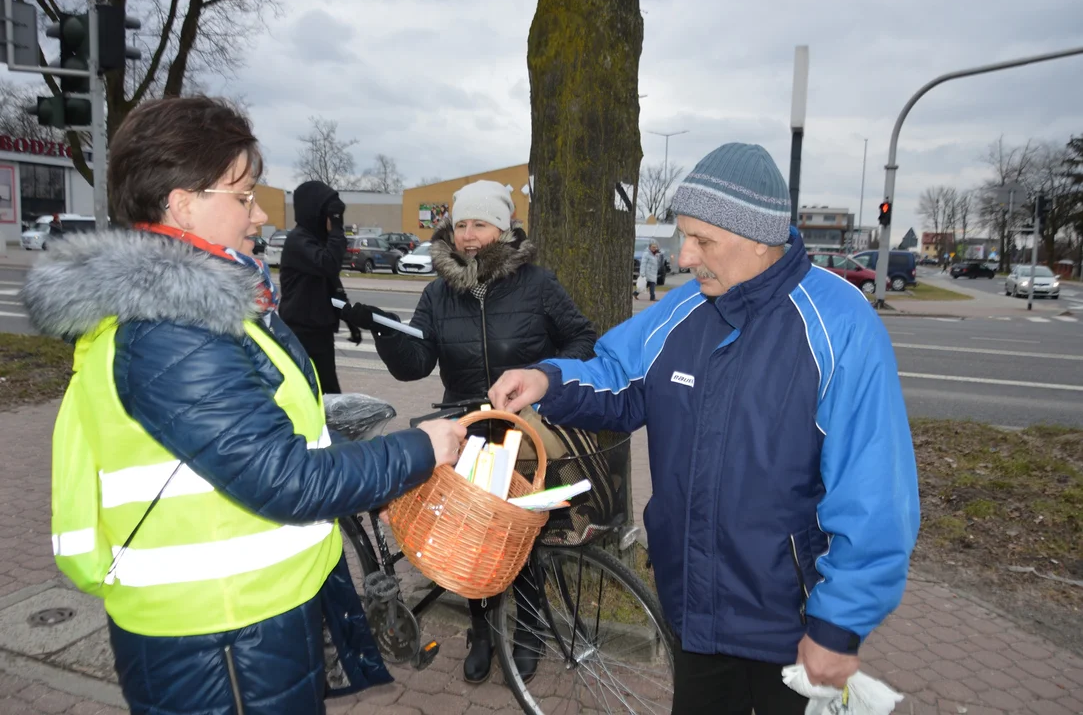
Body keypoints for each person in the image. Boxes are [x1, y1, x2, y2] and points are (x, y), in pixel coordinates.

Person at [20, 95, 465, 715]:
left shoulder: (204, 305)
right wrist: (422, 449)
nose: (258, 215)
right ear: (181, 201)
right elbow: (281, 479)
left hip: (242, 616)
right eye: (242, 195)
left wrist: (366, 469)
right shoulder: (171, 326)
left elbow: (273, 442)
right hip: (219, 631)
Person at [487, 143, 920, 714]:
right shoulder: (685, 309)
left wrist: (839, 624)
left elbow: (875, 495)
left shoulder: (840, 325)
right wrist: (548, 381)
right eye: (683, 235)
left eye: (702, 240)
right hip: (693, 606)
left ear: (760, 239)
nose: (685, 256)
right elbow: (620, 374)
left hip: (788, 624)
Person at [345, 179, 597, 685]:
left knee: (521, 537)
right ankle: (483, 631)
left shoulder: (537, 284)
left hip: (525, 431)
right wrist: (383, 330)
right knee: (476, 539)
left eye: (479, 224)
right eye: (461, 225)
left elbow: (583, 338)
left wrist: (542, 376)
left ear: (501, 228)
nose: (468, 235)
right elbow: (416, 364)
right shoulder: (439, 294)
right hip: (468, 432)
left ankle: (528, 630)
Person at [279, 181, 362, 394]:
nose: (333, 222)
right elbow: (329, 264)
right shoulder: (298, 241)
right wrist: (336, 228)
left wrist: (349, 319)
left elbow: (333, 284)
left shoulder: (315, 241)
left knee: (328, 391)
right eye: (329, 215)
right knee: (311, 390)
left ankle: (329, 427)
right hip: (301, 331)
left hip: (319, 329)